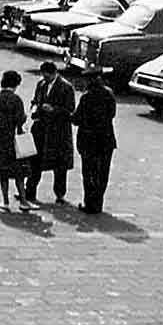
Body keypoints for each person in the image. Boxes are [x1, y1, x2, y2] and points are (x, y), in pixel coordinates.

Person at [24, 61, 76, 206]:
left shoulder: (66, 87)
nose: (45, 78)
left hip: (58, 131)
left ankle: (60, 194)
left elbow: (70, 109)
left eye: (47, 76)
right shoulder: (41, 84)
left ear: (54, 73)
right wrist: (35, 108)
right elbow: (35, 101)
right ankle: (30, 191)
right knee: (35, 162)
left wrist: (54, 110)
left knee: (60, 166)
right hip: (40, 129)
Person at [0, 70, 31, 210]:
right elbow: (20, 120)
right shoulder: (16, 100)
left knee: (2, 173)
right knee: (19, 174)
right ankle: (23, 202)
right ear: (16, 84)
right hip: (13, 141)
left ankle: (5, 201)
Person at [72, 71, 117, 215]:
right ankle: (98, 203)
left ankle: (90, 204)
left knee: (89, 173)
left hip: (89, 140)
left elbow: (77, 119)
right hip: (106, 139)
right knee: (102, 173)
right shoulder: (108, 93)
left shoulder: (86, 97)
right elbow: (112, 113)